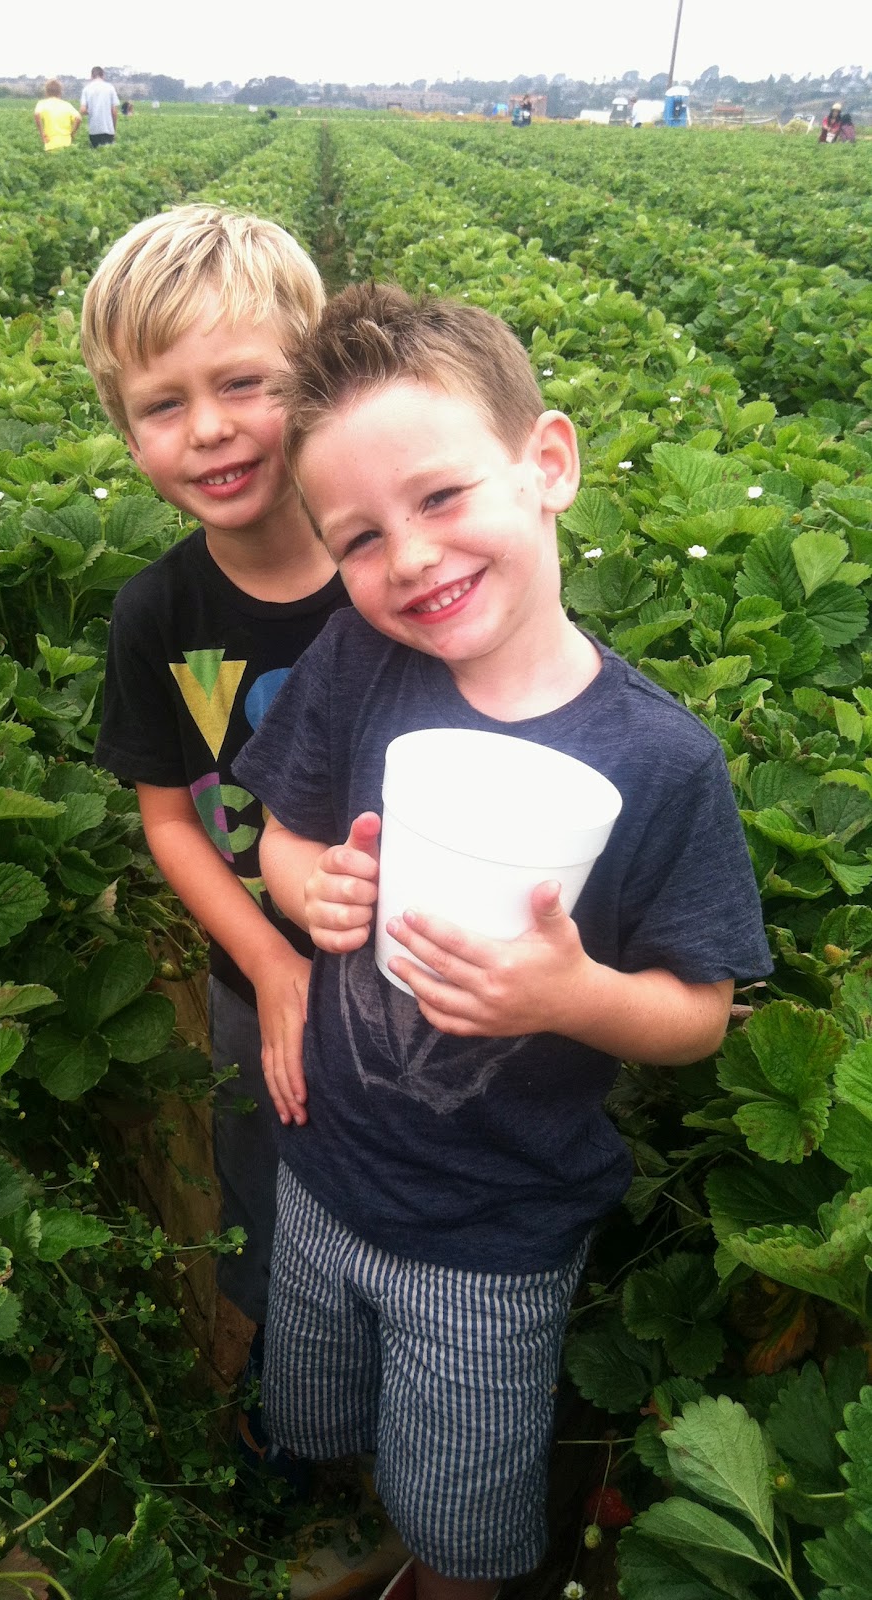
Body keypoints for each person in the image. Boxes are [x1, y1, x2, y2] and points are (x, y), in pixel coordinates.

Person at [233, 283, 771, 1600]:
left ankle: (434, 1568)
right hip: (326, 1166)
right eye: (360, 538)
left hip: (494, 1234)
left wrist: (571, 993)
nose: (410, 559)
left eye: (439, 496)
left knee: (459, 1506)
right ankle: (334, 1498)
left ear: (548, 464)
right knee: (317, 1394)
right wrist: (309, 892)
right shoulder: (357, 663)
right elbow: (282, 836)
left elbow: (700, 1011)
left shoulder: (662, 761)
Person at [83, 207, 346, 1410]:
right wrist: (268, 960)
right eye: (162, 404)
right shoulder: (157, 614)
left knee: (408, 1207)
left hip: (420, 987)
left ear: (317, 380)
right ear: (126, 429)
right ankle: (288, 1397)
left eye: (244, 383)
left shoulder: (394, 572)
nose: (209, 429)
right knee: (265, 1187)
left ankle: (402, 1390)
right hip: (254, 979)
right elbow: (171, 820)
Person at [33, 78, 81, 152]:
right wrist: (72, 134)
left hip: (50, 143)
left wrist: (42, 134)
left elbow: (36, 115)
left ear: (46, 92)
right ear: (60, 92)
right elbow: (78, 118)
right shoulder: (67, 105)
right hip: (66, 143)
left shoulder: (42, 103)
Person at [81, 67, 120, 147]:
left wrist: (92, 111)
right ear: (103, 75)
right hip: (108, 129)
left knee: (95, 153)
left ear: (91, 76)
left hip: (94, 130)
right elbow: (114, 112)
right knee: (108, 153)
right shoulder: (110, 88)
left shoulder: (87, 89)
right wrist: (114, 129)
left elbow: (82, 110)